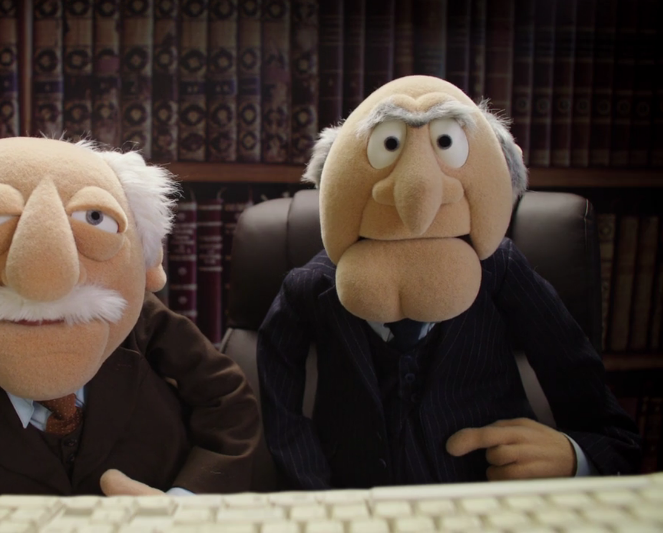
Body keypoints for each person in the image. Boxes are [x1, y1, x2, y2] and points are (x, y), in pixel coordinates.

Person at [0, 137, 260, 522]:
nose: (43, 280)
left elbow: (229, 404)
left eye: (95, 217)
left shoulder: (145, 325)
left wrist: (184, 506)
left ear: (148, 260)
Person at [258, 75, 641, 490]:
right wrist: (314, 493)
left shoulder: (501, 270)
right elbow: (278, 402)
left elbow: (607, 428)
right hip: (357, 503)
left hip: (484, 498)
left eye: (445, 143)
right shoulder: (311, 286)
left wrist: (574, 456)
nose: (417, 193)